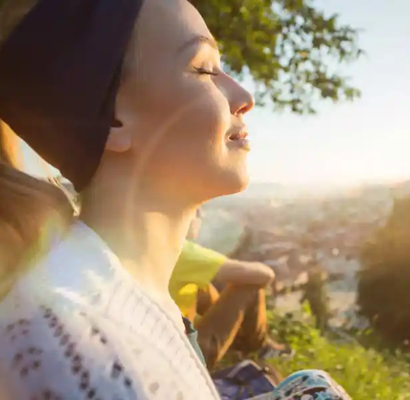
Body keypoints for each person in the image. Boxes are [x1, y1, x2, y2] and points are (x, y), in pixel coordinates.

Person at [0, 0, 255, 398]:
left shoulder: (121, 297)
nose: (243, 95)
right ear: (113, 120)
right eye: (204, 69)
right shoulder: (79, 357)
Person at [169, 208, 290, 370]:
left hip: (167, 347)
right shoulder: (182, 252)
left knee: (201, 286)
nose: (201, 215)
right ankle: (259, 347)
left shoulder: (152, 248)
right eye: (197, 210)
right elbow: (265, 275)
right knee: (248, 288)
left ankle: (237, 341)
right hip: (190, 359)